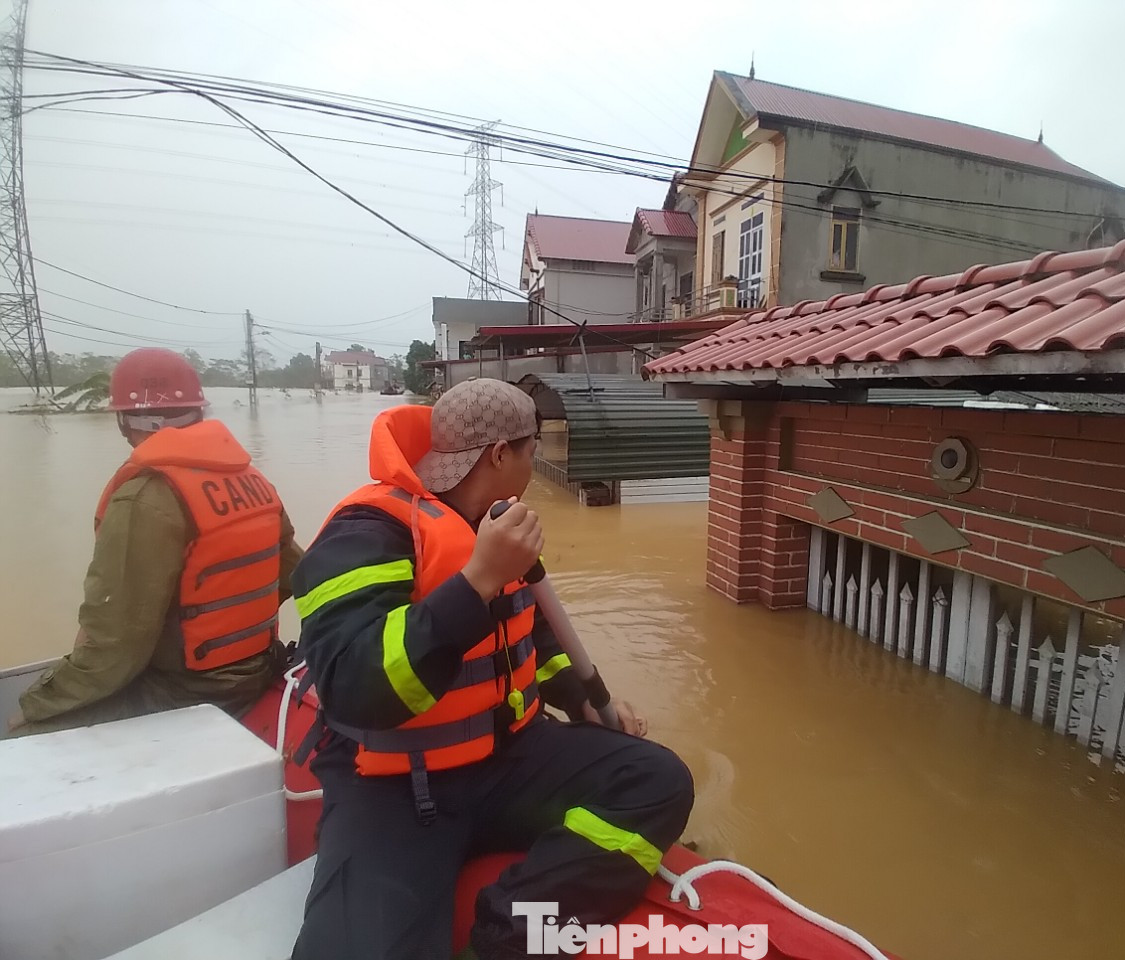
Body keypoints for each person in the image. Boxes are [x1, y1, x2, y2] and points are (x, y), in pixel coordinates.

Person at [289, 378, 694, 960]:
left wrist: (579, 699)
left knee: (658, 781)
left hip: (507, 757)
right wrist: (475, 583)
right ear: (500, 454)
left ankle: (509, 930)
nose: (537, 462)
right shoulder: (365, 531)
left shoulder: (497, 523)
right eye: (533, 449)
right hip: (398, 785)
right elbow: (356, 685)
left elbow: (531, 629)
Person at [7, 348, 303, 737]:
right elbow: (295, 573)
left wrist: (36, 703)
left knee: (21, 734)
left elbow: (115, 645)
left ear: (125, 421)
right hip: (257, 671)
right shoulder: (253, 481)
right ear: (199, 413)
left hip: (186, 690)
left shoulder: (146, 497)